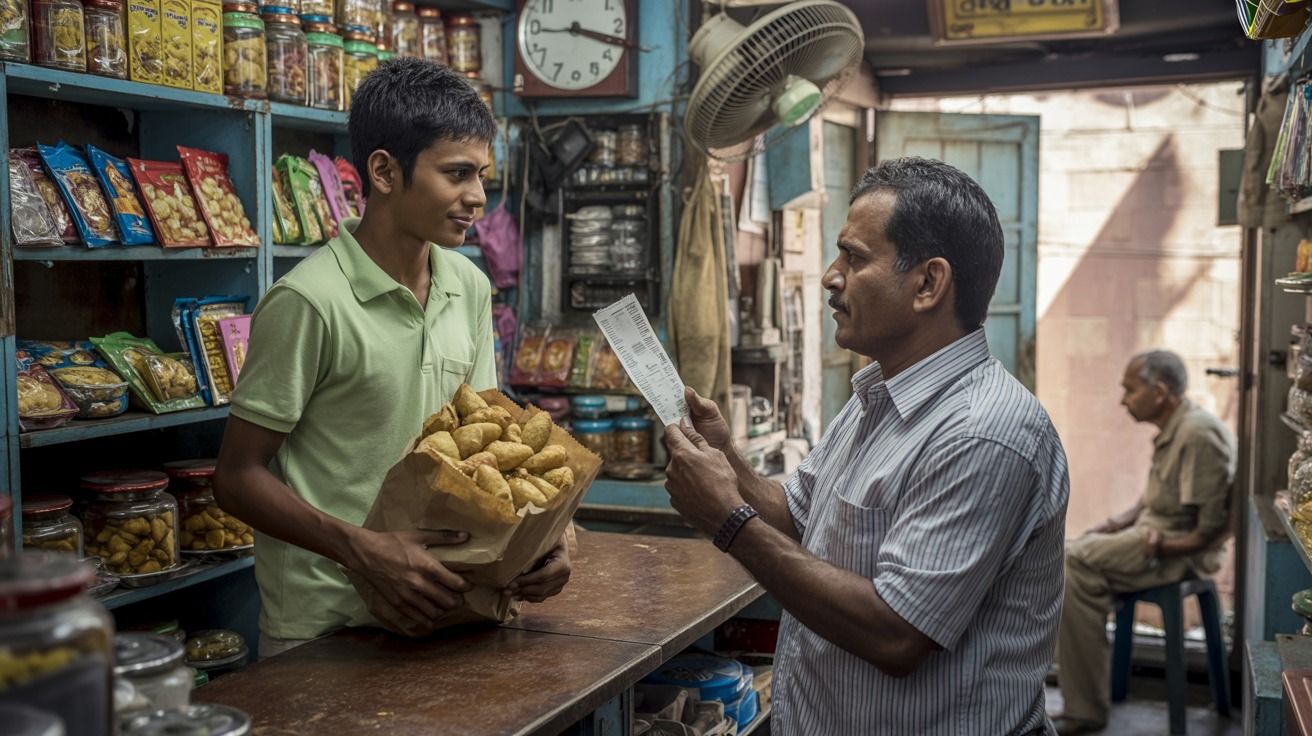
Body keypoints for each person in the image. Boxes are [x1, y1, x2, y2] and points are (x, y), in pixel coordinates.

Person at [663, 157, 1070, 735]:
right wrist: (728, 461)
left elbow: (897, 634)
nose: (831, 276)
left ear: (928, 283)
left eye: (854, 258)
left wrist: (729, 519)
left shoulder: (986, 432)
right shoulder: (875, 395)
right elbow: (800, 516)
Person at [213, 59, 571, 657]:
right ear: (383, 171)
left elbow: (485, 442)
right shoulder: (308, 301)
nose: (478, 197)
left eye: (481, 175)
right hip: (326, 631)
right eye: (457, 174)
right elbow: (236, 478)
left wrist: (549, 534)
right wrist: (362, 549)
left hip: (449, 608)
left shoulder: (470, 285)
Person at [1052, 350, 1235, 735]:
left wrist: (1164, 547)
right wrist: (1112, 525)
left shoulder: (1198, 435)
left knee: (1069, 563)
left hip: (1180, 553)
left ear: (1161, 391)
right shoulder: (1176, 428)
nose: (1123, 399)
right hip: (1154, 537)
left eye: (1130, 390)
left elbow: (1212, 531)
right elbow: (1152, 501)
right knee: (1075, 557)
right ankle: (1086, 694)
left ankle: (1085, 709)